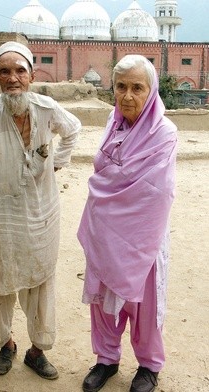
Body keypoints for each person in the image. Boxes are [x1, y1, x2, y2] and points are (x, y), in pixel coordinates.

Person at [0, 41, 81, 380]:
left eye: (20, 71)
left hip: (42, 216)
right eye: (5, 72)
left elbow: (74, 131)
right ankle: (6, 344)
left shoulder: (47, 107)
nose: (13, 78)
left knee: (41, 280)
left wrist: (57, 164)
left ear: (31, 75)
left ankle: (36, 350)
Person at [77, 54, 177, 392]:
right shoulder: (112, 120)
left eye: (137, 87)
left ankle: (149, 366)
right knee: (104, 301)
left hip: (142, 236)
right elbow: (108, 172)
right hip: (105, 232)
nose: (128, 96)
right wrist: (113, 188)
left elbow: (156, 191)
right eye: (121, 87)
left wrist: (114, 186)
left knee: (143, 303)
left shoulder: (164, 132)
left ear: (151, 90)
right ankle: (106, 358)